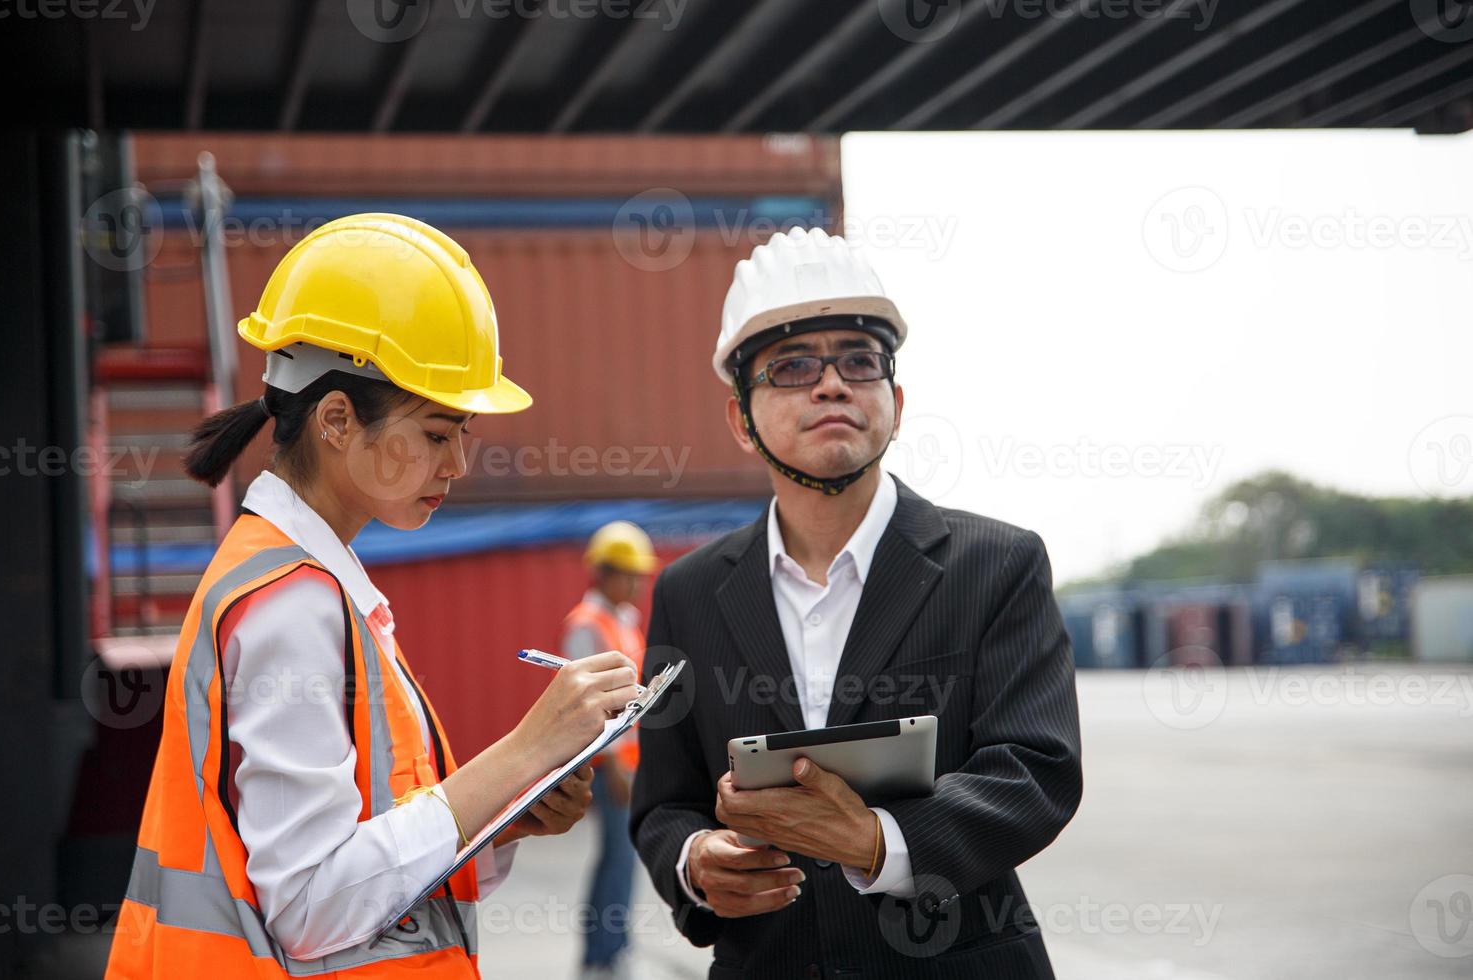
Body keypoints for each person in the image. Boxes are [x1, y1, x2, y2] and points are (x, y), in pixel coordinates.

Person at [105, 214, 642, 978]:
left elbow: (372, 853)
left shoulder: (312, 585)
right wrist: (525, 750)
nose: (458, 461)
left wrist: (501, 818)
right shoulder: (291, 604)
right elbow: (311, 907)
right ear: (335, 419)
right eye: (436, 433)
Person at [630, 227, 1083, 978]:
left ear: (895, 404)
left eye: (858, 361)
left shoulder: (996, 565)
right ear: (740, 420)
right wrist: (694, 861)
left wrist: (876, 841)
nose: (831, 384)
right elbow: (664, 801)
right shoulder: (689, 592)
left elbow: (1036, 770)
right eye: (792, 366)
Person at [560, 521, 658, 979]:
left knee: (624, 857)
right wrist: (614, 763)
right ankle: (601, 954)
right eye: (628, 574)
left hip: (631, 765)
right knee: (617, 858)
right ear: (602, 573)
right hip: (609, 767)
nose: (636, 584)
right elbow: (590, 708)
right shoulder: (586, 625)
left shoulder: (622, 623)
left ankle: (614, 946)